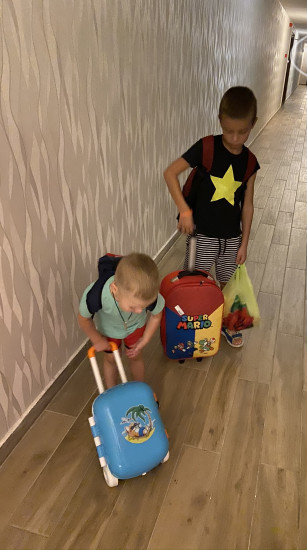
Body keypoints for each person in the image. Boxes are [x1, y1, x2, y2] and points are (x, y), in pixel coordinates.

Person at [164, 86, 260, 348]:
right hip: (203, 235)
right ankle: (193, 327)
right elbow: (170, 173)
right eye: (228, 131)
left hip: (232, 238)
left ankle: (228, 325)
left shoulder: (250, 162)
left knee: (228, 284)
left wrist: (244, 242)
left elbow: (248, 205)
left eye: (243, 131)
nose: (235, 138)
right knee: (196, 282)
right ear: (219, 120)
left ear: (253, 123)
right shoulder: (206, 147)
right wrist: (184, 210)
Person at [78, 253, 164, 387]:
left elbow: (156, 315)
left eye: (144, 307)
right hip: (109, 329)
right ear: (115, 290)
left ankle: (139, 389)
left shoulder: (147, 295)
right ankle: (112, 390)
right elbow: (83, 318)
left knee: (135, 355)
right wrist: (97, 340)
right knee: (111, 359)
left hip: (136, 326)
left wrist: (145, 339)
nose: (140, 311)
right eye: (133, 307)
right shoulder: (96, 295)